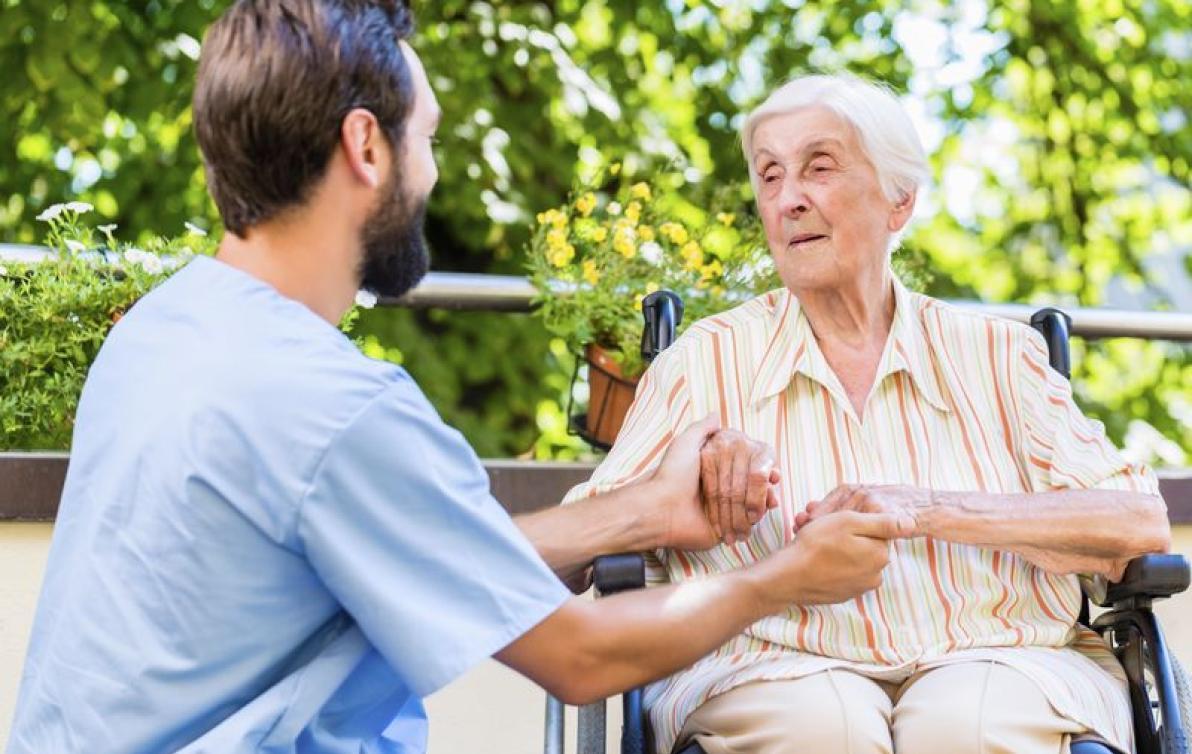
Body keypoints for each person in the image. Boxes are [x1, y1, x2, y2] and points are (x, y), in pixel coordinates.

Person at [5, 5, 916, 754]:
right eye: (427, 137)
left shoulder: (166, 329)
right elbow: (581, 658)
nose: (433, 170)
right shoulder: (338, 410)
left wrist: (639, 514)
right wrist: (787, 575)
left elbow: (429, 558)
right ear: (367, 146)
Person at [567, 73, 1171, 754]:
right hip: (772, 667)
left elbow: (1137, 521)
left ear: (899, 200)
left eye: (818, 168)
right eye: (769, 176)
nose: (788, 199)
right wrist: (676, 488)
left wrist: (926, 508)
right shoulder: (705, 363)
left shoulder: (999, 357)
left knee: (962, 723)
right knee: (822, 726)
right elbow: (574, 556)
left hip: (1005, 659)